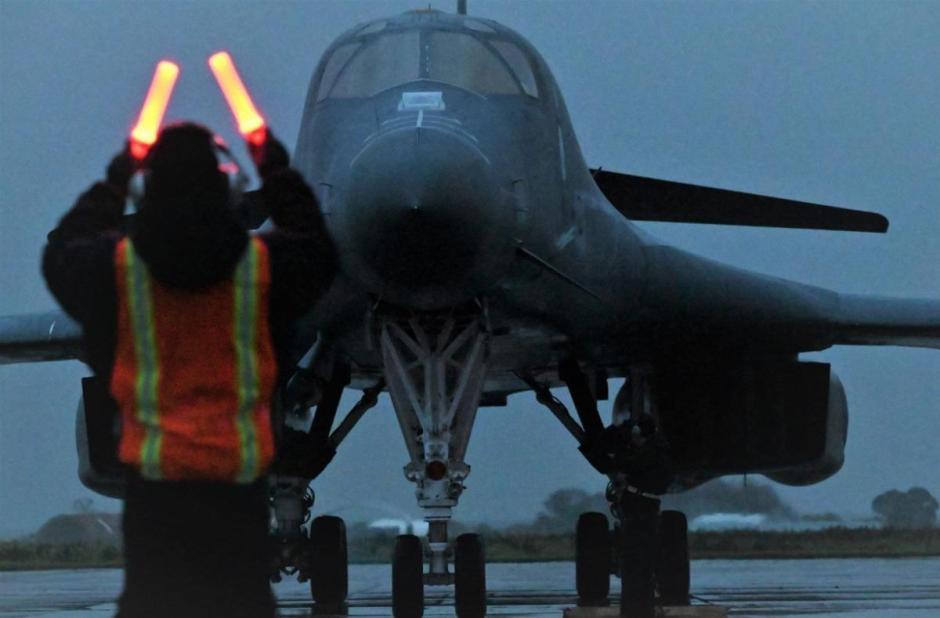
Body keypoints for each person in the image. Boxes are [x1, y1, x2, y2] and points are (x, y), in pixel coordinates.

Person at [42, 122, 337, 617]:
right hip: (237, 504)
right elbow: (317, 247)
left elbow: (61, 250)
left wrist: (115, 184)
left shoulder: (116, 273)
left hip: (156, 505)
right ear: (231, 189)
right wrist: (274, 168)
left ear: (144, 189)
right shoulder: (264, 269)